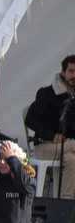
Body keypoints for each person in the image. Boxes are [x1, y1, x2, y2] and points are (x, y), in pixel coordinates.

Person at [26, 53, 75, 204]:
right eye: (71, 71)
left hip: (67, 148)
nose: (74, 75)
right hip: (44, 146)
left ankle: (65, 204)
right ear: (63, 72)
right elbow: (30, 119)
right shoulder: (47, 93)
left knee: (72, 160)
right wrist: (52, 135)